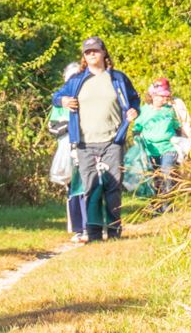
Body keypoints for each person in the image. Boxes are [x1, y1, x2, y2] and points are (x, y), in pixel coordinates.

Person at [51, 36, 140, 242]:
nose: (92, 54)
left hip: (112, 140)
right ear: (84, 57)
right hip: (84, 142)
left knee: (113, 187)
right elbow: (56, 97)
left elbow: (134, 99)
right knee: (90, 187)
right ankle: (93, 233)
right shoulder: (77, 80)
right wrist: (64, 100)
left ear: (104, 53)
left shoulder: (117, 78)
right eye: (87, 52)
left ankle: (114, 230)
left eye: (95, 51)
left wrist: (134, 110)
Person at [49, 62, 88, 242]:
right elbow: (53, 126)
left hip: (87, 146)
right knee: (73, 188)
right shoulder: (61, 100)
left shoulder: (87, 96)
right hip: (67, 149)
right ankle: (78, 227)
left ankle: (91, 225)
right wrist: (69, 127)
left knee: (89, 185)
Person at [132, 78, 182, 213]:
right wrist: (137, 140)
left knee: (167, 174)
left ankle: (168, 206)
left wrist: (181, 144)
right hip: (150, 151)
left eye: (166, 96)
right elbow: (136, 130)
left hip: (168, 149)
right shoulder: (144, 111)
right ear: (153, 96)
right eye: (161, 96)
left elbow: (178, 129)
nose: (164, 99)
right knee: (155, 178)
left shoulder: (170, 111)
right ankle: (157, 206)